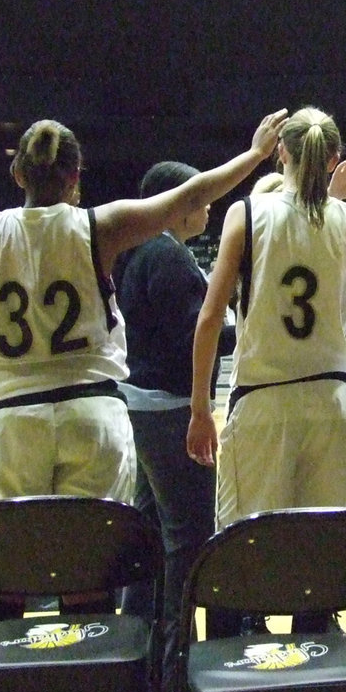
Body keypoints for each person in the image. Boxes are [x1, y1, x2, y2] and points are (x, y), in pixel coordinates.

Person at [0, 111, 285, 658]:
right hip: (89, 416)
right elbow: (188, 194)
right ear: (77, 176)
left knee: (2, 572)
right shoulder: (97, 227)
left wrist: (0, 329)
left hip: (12, 419)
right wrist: (255, 156)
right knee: (90, 577)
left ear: (18, 176)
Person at [188, 108, 346, 529]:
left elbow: (209, 318)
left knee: (253, 548)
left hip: (264, 401)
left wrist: (201, 408)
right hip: (333, 402)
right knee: (326, 547)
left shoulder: (248, 213)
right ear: (333, 159)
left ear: (280, 153)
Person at [112, 159, 236, 652]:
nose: (207, 207)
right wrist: (242, 331)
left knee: (150, 534)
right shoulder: (168, 257)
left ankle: (137, 651)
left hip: (141, 406)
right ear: (179, 205)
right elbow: (191, 340)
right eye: (200, 200)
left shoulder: (137, 251)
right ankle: (174, 664)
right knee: (189, 540)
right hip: (170, 411)